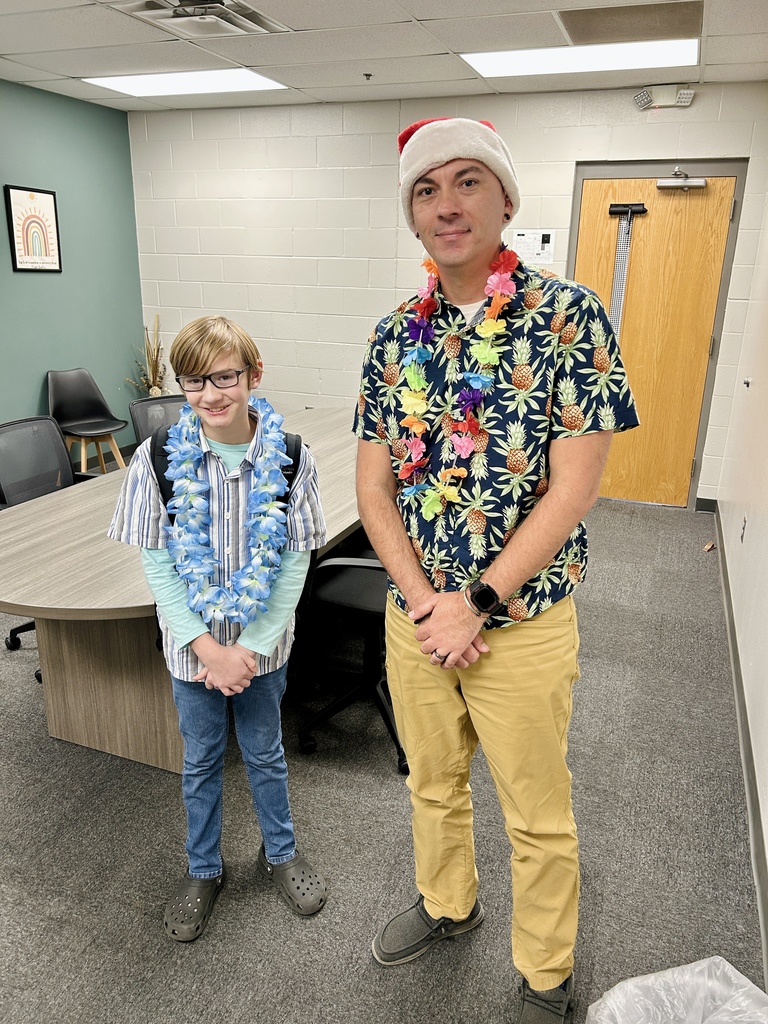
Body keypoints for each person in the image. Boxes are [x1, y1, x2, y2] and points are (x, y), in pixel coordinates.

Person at [354, 117, 639, 1022]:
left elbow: (573, 488)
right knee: (431, 785)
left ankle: (546, 968)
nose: (447, 206)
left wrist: (475, 604)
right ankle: (448, 905)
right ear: (412, 215)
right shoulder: (393, 335)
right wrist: (425, 604)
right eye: (427, 191)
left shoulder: (570, 317)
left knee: (535, 811)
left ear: (506, 198)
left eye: (467, 182)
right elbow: (374, 490)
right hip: (417, 618)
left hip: (520, 622)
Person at [109, 315, 327, 942]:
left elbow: (292, 564)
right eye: (194, 381)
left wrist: (249, 651)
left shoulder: (290, 457)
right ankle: (204, 868)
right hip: (193, 655)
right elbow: (158, 563)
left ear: (253, 376)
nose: (210, 394)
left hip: (262, 653)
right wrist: (208, 646)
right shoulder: (156, 459)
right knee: (201, 760)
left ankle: (279, 853)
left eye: (224, 377)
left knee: (265, 753)